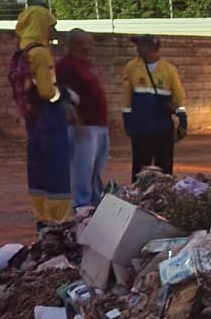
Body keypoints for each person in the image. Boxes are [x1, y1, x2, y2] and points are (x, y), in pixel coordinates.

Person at [14, 5, 72, 227]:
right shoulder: (41, 52)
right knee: (57, 168)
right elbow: (47, 91)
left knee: (37, 167)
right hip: (50, 118)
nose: (52, 31)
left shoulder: (22, 50)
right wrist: (64, 95)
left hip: (33, 119)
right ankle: (60, 220)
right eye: (50, 26)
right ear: (41, 25)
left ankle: (42, 218)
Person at [121, 35, 187, 180]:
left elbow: (179, 98)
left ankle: (163, 192)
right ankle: (139, 192)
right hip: (140, 127)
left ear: (152, 49)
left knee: (164, 167)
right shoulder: (131, 67)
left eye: (141, 46)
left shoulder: (169, 70)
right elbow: (126, 97)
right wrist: (127, 121)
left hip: (162, 127)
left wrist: (182, 120)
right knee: (140, 167)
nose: (137, 49)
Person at [56, 29, 109, 208]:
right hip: (84, 126)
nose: (86, 47)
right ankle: (82, 205)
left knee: (97, 169)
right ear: (69, 44)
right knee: (83, 169)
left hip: (99, 124)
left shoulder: (87, 65)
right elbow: (62, 96)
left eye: (89, 43)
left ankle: (95, 202)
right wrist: (75, 120)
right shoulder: (65, 66)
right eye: (80, 43)